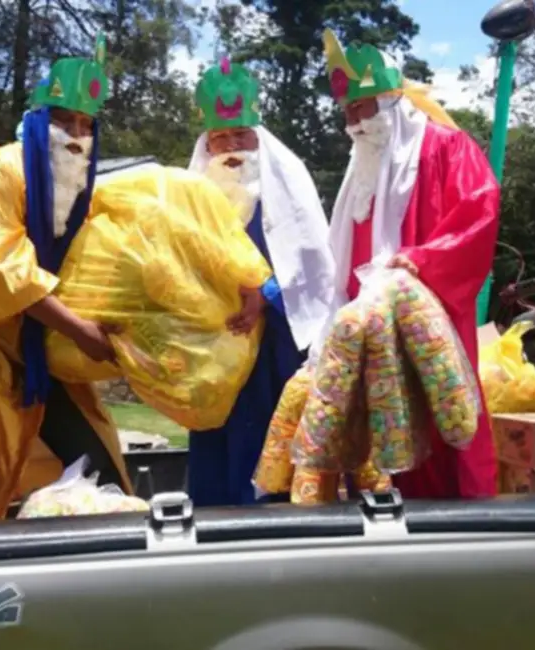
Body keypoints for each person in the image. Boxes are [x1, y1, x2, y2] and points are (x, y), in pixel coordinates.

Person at [0, 36, 134, 521]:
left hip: (46, 347)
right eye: (64, 120)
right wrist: (80, 331)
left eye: (86, 124)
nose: (76, 134)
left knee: (99, 463)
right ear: (39, 120)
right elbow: (2, 268)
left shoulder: (79, 191)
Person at [321, 29, 502, 499]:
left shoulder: (445, 148)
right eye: (347, 113)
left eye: (363, 108)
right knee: (375, 440)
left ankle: (459, 529)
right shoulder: (360, 169)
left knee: (443, 428)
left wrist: (418, 262)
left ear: (389, 102)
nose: (354, 123)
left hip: (426, 326)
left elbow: (479, 213)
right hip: (368, 333)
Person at [185, 58, 337, 506]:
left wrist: (265, 297)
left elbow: (314, 255)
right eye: (220, 139)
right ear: (207, 145)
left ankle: (273, 524)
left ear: (257, 137)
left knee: (272, 433)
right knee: (215, 430)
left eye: (241, 136)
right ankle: (210, 520)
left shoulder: (287, 178)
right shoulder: (193, 191)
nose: (231, 148)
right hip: (215, 339)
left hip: (276, 340)